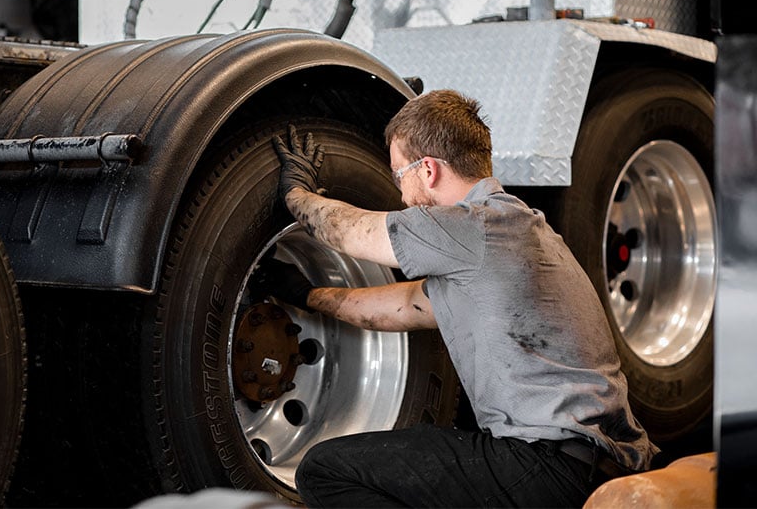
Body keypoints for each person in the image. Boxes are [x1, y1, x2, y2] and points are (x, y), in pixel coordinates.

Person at [264, 89, 658, 507]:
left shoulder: (472, 225)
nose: (401, 195)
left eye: (398, 176)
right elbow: (403, 307)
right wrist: (309, 295)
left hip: (545, 466)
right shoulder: (518, 233)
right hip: (599, 466)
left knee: (322, 470)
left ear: (428, 169)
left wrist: (297, 195)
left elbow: (354, 232)